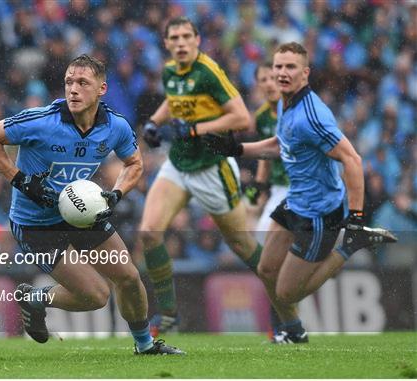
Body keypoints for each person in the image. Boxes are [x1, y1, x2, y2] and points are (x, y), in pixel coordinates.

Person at [0, 54, 184, 355]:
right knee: (96, 296)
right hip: (36, 224)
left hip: (81, 214)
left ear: (102, 89)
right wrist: (20, 179)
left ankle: (145, 345)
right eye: (68, 82)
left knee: (128, 277)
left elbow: (134, 163)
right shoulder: (42, 121)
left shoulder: (116, 126)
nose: (73, 89)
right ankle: (39, 298)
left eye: (82, 83)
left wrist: (117, 193)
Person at [204, 42, 396, 343]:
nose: (282, 72)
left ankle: (352, 243)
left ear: (305, 73)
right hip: (295, 202)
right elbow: (281, 145)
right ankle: (294, 332)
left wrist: (356, 216)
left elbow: (353, 160)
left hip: (320, 213)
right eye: (278, 66)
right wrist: (237, 148)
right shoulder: (285, 102)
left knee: (288, 291)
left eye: (290, 67)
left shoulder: (313, 116)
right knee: (266, 269)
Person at [139, 16, 284, 336]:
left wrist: (195, 129)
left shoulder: (209, 72)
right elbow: (174, 99)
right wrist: (154, 121)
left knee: (242, 244)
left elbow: (241, 116)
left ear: (197, 40)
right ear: (166, 44)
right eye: (173, 37)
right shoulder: (169, 71)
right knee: (149, 233)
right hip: (179, 163)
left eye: (185, 37)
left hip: (212, 167)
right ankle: (168, 316)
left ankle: (284, 306)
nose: (179, 43)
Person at [249, 62, 289, 246]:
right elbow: (264, 157)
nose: (269, 83)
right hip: (280, 188)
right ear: (258, 85)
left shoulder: (296, 108)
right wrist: (255, 191)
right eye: (263, 80)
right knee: (262, 238)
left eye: (273, 78)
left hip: (306, 185)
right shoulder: (261, 117)